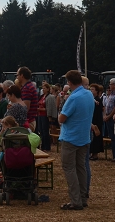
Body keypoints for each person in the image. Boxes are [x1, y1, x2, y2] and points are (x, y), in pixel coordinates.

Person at [58, 70, 94, 211]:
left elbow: (62, 118)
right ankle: (83, 198)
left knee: (69, 168)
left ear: (69, 82)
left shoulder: (73, 98)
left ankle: (75, 200)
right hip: (84, 137)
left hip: (71, 137)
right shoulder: (88, 94)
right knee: (81, 168)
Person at [103, 78, 115, 162]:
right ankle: (114, 155)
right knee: (112, 137)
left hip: (113, 118)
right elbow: (106, 106)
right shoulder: (111, 94)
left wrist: (109, 116)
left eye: (110, 84)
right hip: (108, 117)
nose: (109, 85)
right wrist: (105, 115)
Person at [89, 84, 105, 160]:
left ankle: (95, 154)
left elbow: (97, 112)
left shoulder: (98, 100)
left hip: (96, 121)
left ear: (97, 91)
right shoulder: (92, 99)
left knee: (96, 138)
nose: (91, 91)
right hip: (92, 120)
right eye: (90, 89)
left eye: (93, 89)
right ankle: (91, 153)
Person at [36, 82, 51, 151]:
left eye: (44, 88)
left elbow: (48, 108)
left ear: (48, 89)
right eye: (42, 88)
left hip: (45, 115)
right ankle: (43, 145)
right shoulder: (41, 96)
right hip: (40, 115)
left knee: (45, 131)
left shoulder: (49, 97)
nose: (43, 89)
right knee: (41, 130)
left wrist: (40, 109)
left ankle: (47, 146)